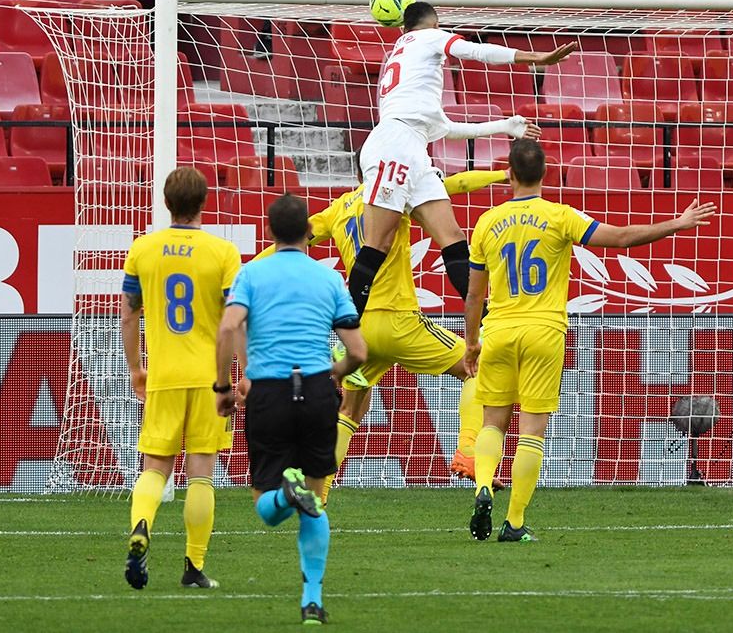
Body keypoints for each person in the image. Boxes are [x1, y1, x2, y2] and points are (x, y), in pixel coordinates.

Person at [463, 139, 717, 542]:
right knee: (532, 429)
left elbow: (474, 294)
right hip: (544, 332)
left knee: (493, 422)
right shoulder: (560, 216)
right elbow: (620, 238)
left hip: (498, 330)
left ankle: (481, 488)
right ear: (546, 174)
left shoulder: (486, 223)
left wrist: (472, 341)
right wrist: (677, 224)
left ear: (508, 174)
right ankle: (513, 523)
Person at [254, 159, 538, 501]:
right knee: (476, 364)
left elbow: (287, 244)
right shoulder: (396, 196)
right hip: (400, 321)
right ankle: (467, 449)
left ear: (358, 173)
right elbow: (454, 184)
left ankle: (319, 494)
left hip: (359, 328)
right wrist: (502, 174)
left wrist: (245, 271)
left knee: (350, 410)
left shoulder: (337, 210)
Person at [347, 2, 578, 323]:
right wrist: (535, 58)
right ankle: (344, 331)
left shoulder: (405, 60)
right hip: (394, 147)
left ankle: (485, 323)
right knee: (378, 244)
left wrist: (504, 126)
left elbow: (443, 128)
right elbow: (477, 52)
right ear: (435, 23)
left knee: (453, 239)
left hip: (412, 148)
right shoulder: (428, 38)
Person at [215, 193, 367, 624]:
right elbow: (359, 351)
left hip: (270, 393)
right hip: (317, 391)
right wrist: (333, 373)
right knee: (315, 501)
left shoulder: (252, 273)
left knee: (267, 502)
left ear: (268, 231)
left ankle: (284, 494)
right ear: (310, 232)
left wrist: (225, 386)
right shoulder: (329, 280)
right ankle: (312, 599)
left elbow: (228, 326)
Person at [120, 167, 241, 590]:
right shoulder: (223, 252)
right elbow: (234, 320)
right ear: (203, 203)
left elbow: (129, 313)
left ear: (166, 202)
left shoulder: (143, 249)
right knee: (202, 473)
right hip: (209, 378)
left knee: (155, 468)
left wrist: (137, 369)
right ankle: (193, 567)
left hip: (165, 375)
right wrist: (238, 375)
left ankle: (141, 525)